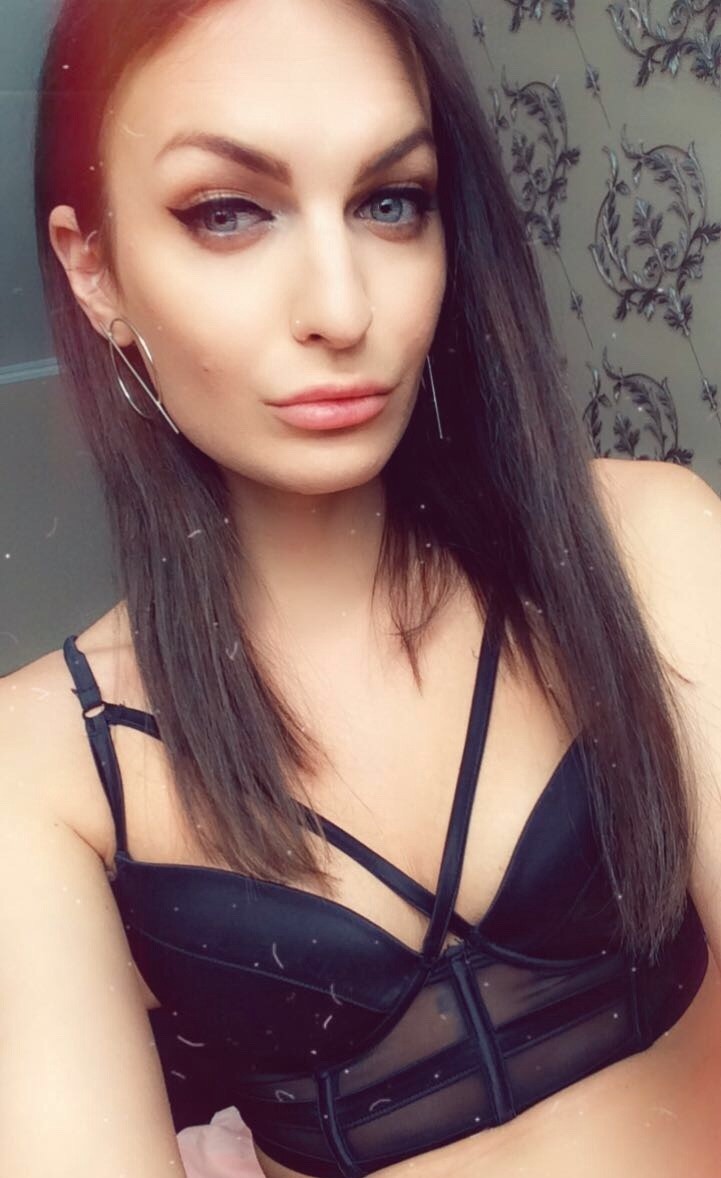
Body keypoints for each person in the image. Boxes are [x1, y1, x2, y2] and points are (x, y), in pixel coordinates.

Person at [2, 0, 721, 1174]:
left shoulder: (644, 543)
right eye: (227, 212)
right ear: (96, 270)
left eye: (391, 202)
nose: (343, 310)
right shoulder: (42, 762)